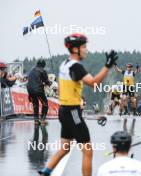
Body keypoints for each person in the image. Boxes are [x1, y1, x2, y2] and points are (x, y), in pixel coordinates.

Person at [38, 33, 118, 176]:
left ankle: (46, 171)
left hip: (63, 110)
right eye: (84, 47)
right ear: (75, 49)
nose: (86, 50)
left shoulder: (64, 64)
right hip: (72, 111)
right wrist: (107, 66)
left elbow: (62, 89)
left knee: (65, 148)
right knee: (87, 150)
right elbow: (94, 84)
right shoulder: (76, 67)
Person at [27, 59, 51, 125]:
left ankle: (36, 121)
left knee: (35, 104)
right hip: (38, 90)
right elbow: (46, 81)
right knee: (45, 103)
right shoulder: (43, 70)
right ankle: (42, 119)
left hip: (30, 90)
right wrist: (49, 83)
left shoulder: (32, 70)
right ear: (43, 65)